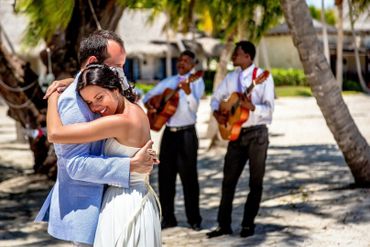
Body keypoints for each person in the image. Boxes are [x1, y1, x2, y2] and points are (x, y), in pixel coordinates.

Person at [35, 30, 157, 246]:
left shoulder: (112, 97)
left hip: (119, 202)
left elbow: (104, 87)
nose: (120, 73)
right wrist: (128, 165)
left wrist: (59, 90)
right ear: (94, 62)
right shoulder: (76, 100)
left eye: (122, 66)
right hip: (88, 208)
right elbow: (74, 164)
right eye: (115, 66)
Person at [207, 41, 274, 238]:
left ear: (248, 57)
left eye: (237, 53)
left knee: (256, 182)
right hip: (235, 135)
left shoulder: (262, 78)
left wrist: (252, 107)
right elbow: (216, 98)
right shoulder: (231, 77)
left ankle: (247, 224)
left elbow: (269, 112)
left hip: (257, 135)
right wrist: (217, 113)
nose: (233, 57)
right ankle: (223, 225)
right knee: (228, 181)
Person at [142, 50, 205, 230]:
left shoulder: (196, 81)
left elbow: (194, 108)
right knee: (165, 177)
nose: (181, 63)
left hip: (187, 134)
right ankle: (168, 218)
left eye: (186, 61)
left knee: (189, 178)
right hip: (169, 133)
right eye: (180, 60)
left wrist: (188, 93)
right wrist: (154, 105)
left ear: (193, 65)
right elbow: (147, 97)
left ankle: (194, 219)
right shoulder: (169, 82)